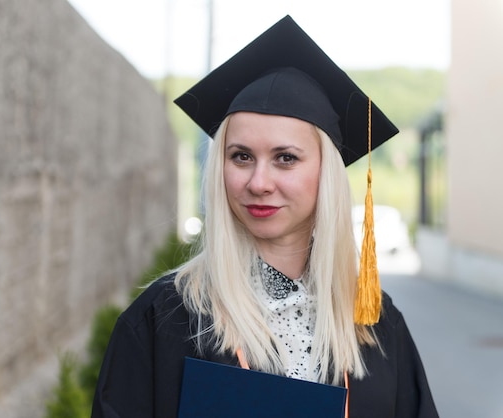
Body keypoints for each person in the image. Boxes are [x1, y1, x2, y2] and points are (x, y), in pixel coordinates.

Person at [92, 15, 438, 418]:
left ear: (326, 173)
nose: (258, 182)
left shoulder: (374, 322)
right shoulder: (165, 318)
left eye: (285, 158)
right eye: (241, 156)